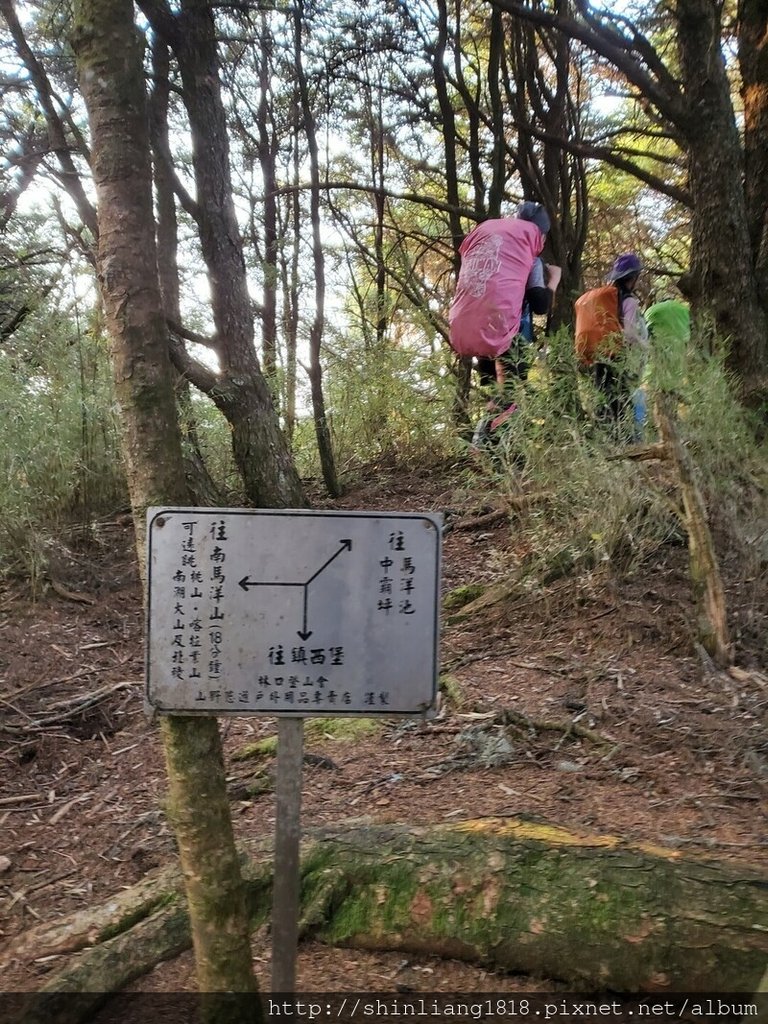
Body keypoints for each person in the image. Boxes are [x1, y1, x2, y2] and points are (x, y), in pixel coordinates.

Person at [449, 201, 562, 394]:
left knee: (496, 398)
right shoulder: (531, 260)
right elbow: (540, 305)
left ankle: (492, 420)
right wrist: (554, 280)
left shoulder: (497, 251)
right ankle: (501, 418)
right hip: (508, 337)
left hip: (480, 332)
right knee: (512, 398)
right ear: (540, 235)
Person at [575, 251, 648, 426]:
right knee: (620, 404)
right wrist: (645, 345)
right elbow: (629, 333)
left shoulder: (609, 298)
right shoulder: (629, 301)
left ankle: (606, 444)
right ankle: (623, 446)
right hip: (616, 358)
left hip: (599, 356)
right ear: (633, 277)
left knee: (603, 401)